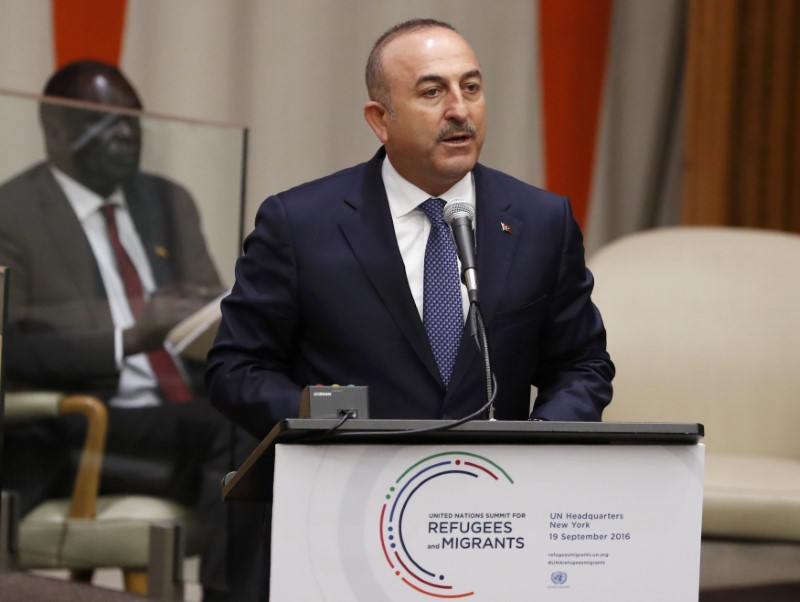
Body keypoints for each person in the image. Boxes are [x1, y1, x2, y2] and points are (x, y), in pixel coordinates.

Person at [207, 18, 614, 442]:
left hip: (493, 491)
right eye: (432, 92)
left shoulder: (542, 221)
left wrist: (540, 443)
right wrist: (327, 425)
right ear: (381, 119)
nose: (460, 109)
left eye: (471, 88)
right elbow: (236, 369)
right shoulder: (300, 223)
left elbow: (581, 365)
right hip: (347, 485)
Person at [0, 61, 263, 600]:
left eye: (134, 121)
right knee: (235, 432)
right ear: (55, 130)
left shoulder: (167, 198)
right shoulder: (13, 212)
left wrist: (209, 317)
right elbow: (13, 349)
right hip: (81, 426)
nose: (127, 134)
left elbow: (213, 309)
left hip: (180, 414)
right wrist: (131, 338)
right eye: (108, 122)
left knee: (265, 414)